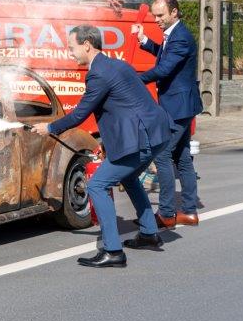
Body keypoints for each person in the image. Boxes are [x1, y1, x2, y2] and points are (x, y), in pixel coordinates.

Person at [32, 24, 171, 268]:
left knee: (97, 185)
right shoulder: (113, 65)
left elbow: (80, 114)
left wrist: (49, 128)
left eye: (72, 47)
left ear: (87, 44)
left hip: (142, 138)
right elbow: (125, 106)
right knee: (128, 178)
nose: (70, 52)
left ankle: (113, 251)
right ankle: (149, 232)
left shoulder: (99, 73)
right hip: (156, 133)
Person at [132, 0, 204, 229]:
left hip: (177, 107)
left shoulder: (180, 37)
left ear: (174, 12)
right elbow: (164, 55)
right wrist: (144, 40)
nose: (156, 20)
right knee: (182, 158)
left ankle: (166, 213)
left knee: (162, 155)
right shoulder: (173, 34)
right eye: (154, 15)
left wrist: (135, 79)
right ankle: (189, 212)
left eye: (160, 15)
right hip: (180, 106)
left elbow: (164, 68)